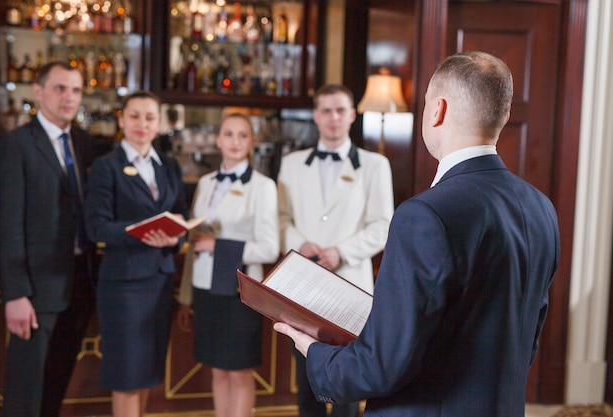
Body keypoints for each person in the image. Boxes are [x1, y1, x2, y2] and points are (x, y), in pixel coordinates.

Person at [274, 51, 561, 417]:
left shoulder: (423, 215)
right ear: (503, 115)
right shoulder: (540, 208)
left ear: (436, 110)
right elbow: (526, 339)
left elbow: (382, 365)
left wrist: (314, 352)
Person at [277, 84, 394, 417]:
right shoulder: (291, 163)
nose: (333, 118)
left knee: (348, 382)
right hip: (302, 286)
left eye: (340, 110)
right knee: (307, 381)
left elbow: (383, 226)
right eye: (326, 110)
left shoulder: (376, 165)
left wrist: (340, 251)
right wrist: (301, 243)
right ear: (315, 116)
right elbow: (281, 219)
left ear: (352, 115)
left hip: (350, 285)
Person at [0, 61, 96, 417]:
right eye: (60, 88)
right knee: (25, 393)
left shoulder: (82, 142)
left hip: (80, 284)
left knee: (55, 386)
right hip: (34, 292)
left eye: (76, 90)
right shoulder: (15, 145)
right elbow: (6, 226)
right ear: (38, 91)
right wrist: (16, 293)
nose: (69, 97)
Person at [85, 90, 186, 417]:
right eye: (134, 116)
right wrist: (144, 230)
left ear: (159, 124)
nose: (142, 124)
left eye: (149, 117)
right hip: (124, 285)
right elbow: (97, 228)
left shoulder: (169, 166)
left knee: (147, 373)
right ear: (121, 120)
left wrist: (174, 239)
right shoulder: (105, 166)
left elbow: (181, 217)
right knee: (127, 376)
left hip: (159, 281)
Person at [177, 112, 279, 417]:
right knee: (217, 370)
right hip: (206, 288)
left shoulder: (263, 186)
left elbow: (269, 247)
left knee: (239, 371)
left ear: (252, 142)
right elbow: (197, 238)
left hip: (239, 292)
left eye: (242, 135)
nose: (235, 141)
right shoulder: (206, 182)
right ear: (218, 140)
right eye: (229, 134)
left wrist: (217, 246)